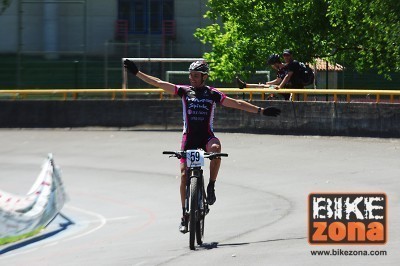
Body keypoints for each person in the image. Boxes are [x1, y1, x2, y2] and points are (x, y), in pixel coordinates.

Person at [124, 59, 281, 233]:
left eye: (196, 76)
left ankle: (211, 185)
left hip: (206, 137)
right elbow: (158, 83)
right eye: (191, 75)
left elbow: (236, 103)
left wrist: (261, 110)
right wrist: (137, 73)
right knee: (184, 174)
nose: (192, 79)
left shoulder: (212, 94)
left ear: (204, 77)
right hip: (189, 139)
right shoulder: (184, 91)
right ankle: (184, 215)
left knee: (216, 148)